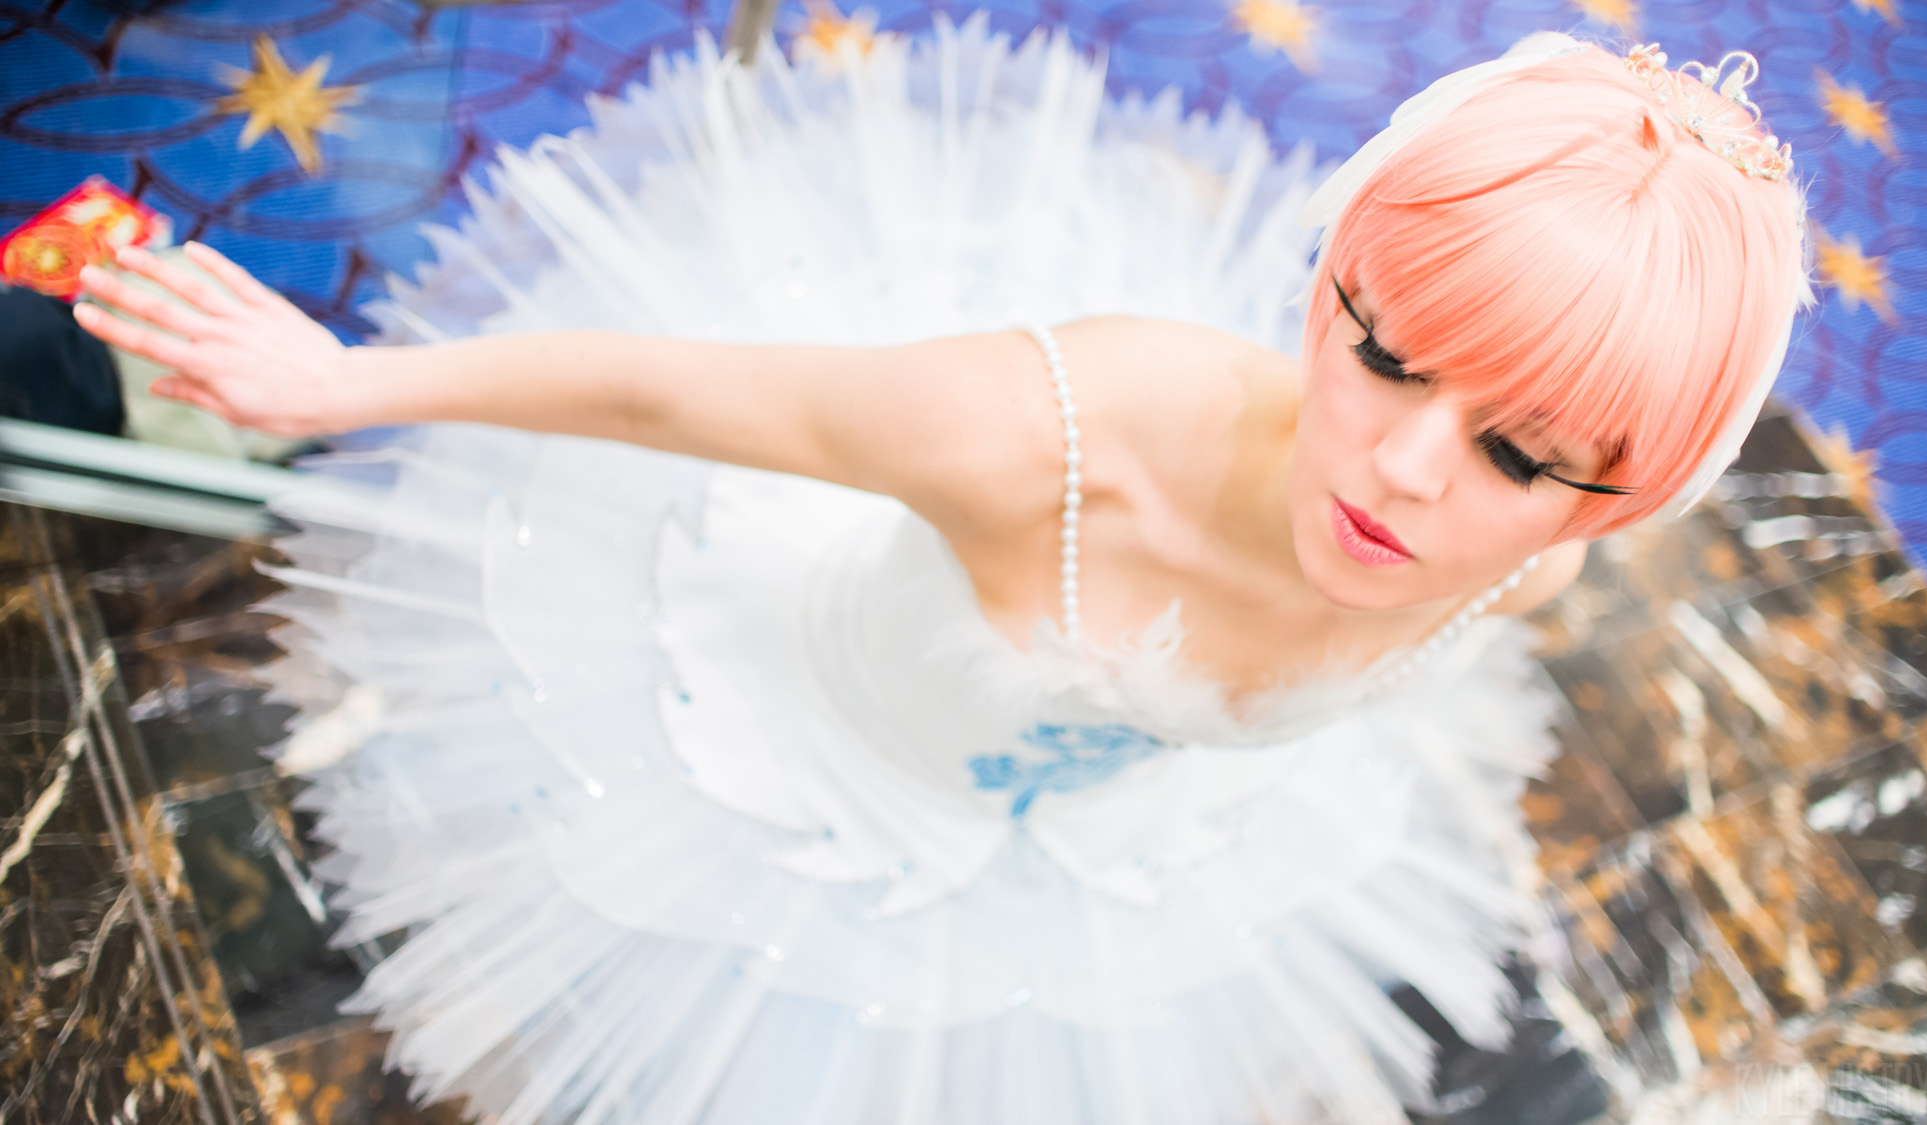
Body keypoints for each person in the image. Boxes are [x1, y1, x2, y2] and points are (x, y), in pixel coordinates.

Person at [71, 22, 1807, 1125]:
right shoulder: (1035, 435)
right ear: (1333, 280)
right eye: (1384, 354)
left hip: (1082, 822)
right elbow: (670, 392)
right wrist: (348, 387)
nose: (1403, 473)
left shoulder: (1518, 575)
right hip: (813, 736)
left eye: (1522, 458)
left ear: (1610, 502)